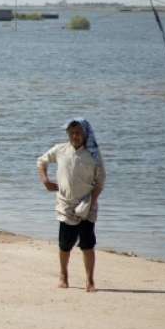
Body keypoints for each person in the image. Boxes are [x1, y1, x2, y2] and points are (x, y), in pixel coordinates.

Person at [37, 118, 106, 292]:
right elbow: (41, 161)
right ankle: (63, 275)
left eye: (78, 133)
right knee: (65, 245)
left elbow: (100, 182)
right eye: (72, 133)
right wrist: (45, 180)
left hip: (86, 205)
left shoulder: (93, 155)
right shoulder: (60, 150)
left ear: (85, 134)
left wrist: (92, 202)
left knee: (88, 245)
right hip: (65, 205)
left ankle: (90, 281)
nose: (75, 136)